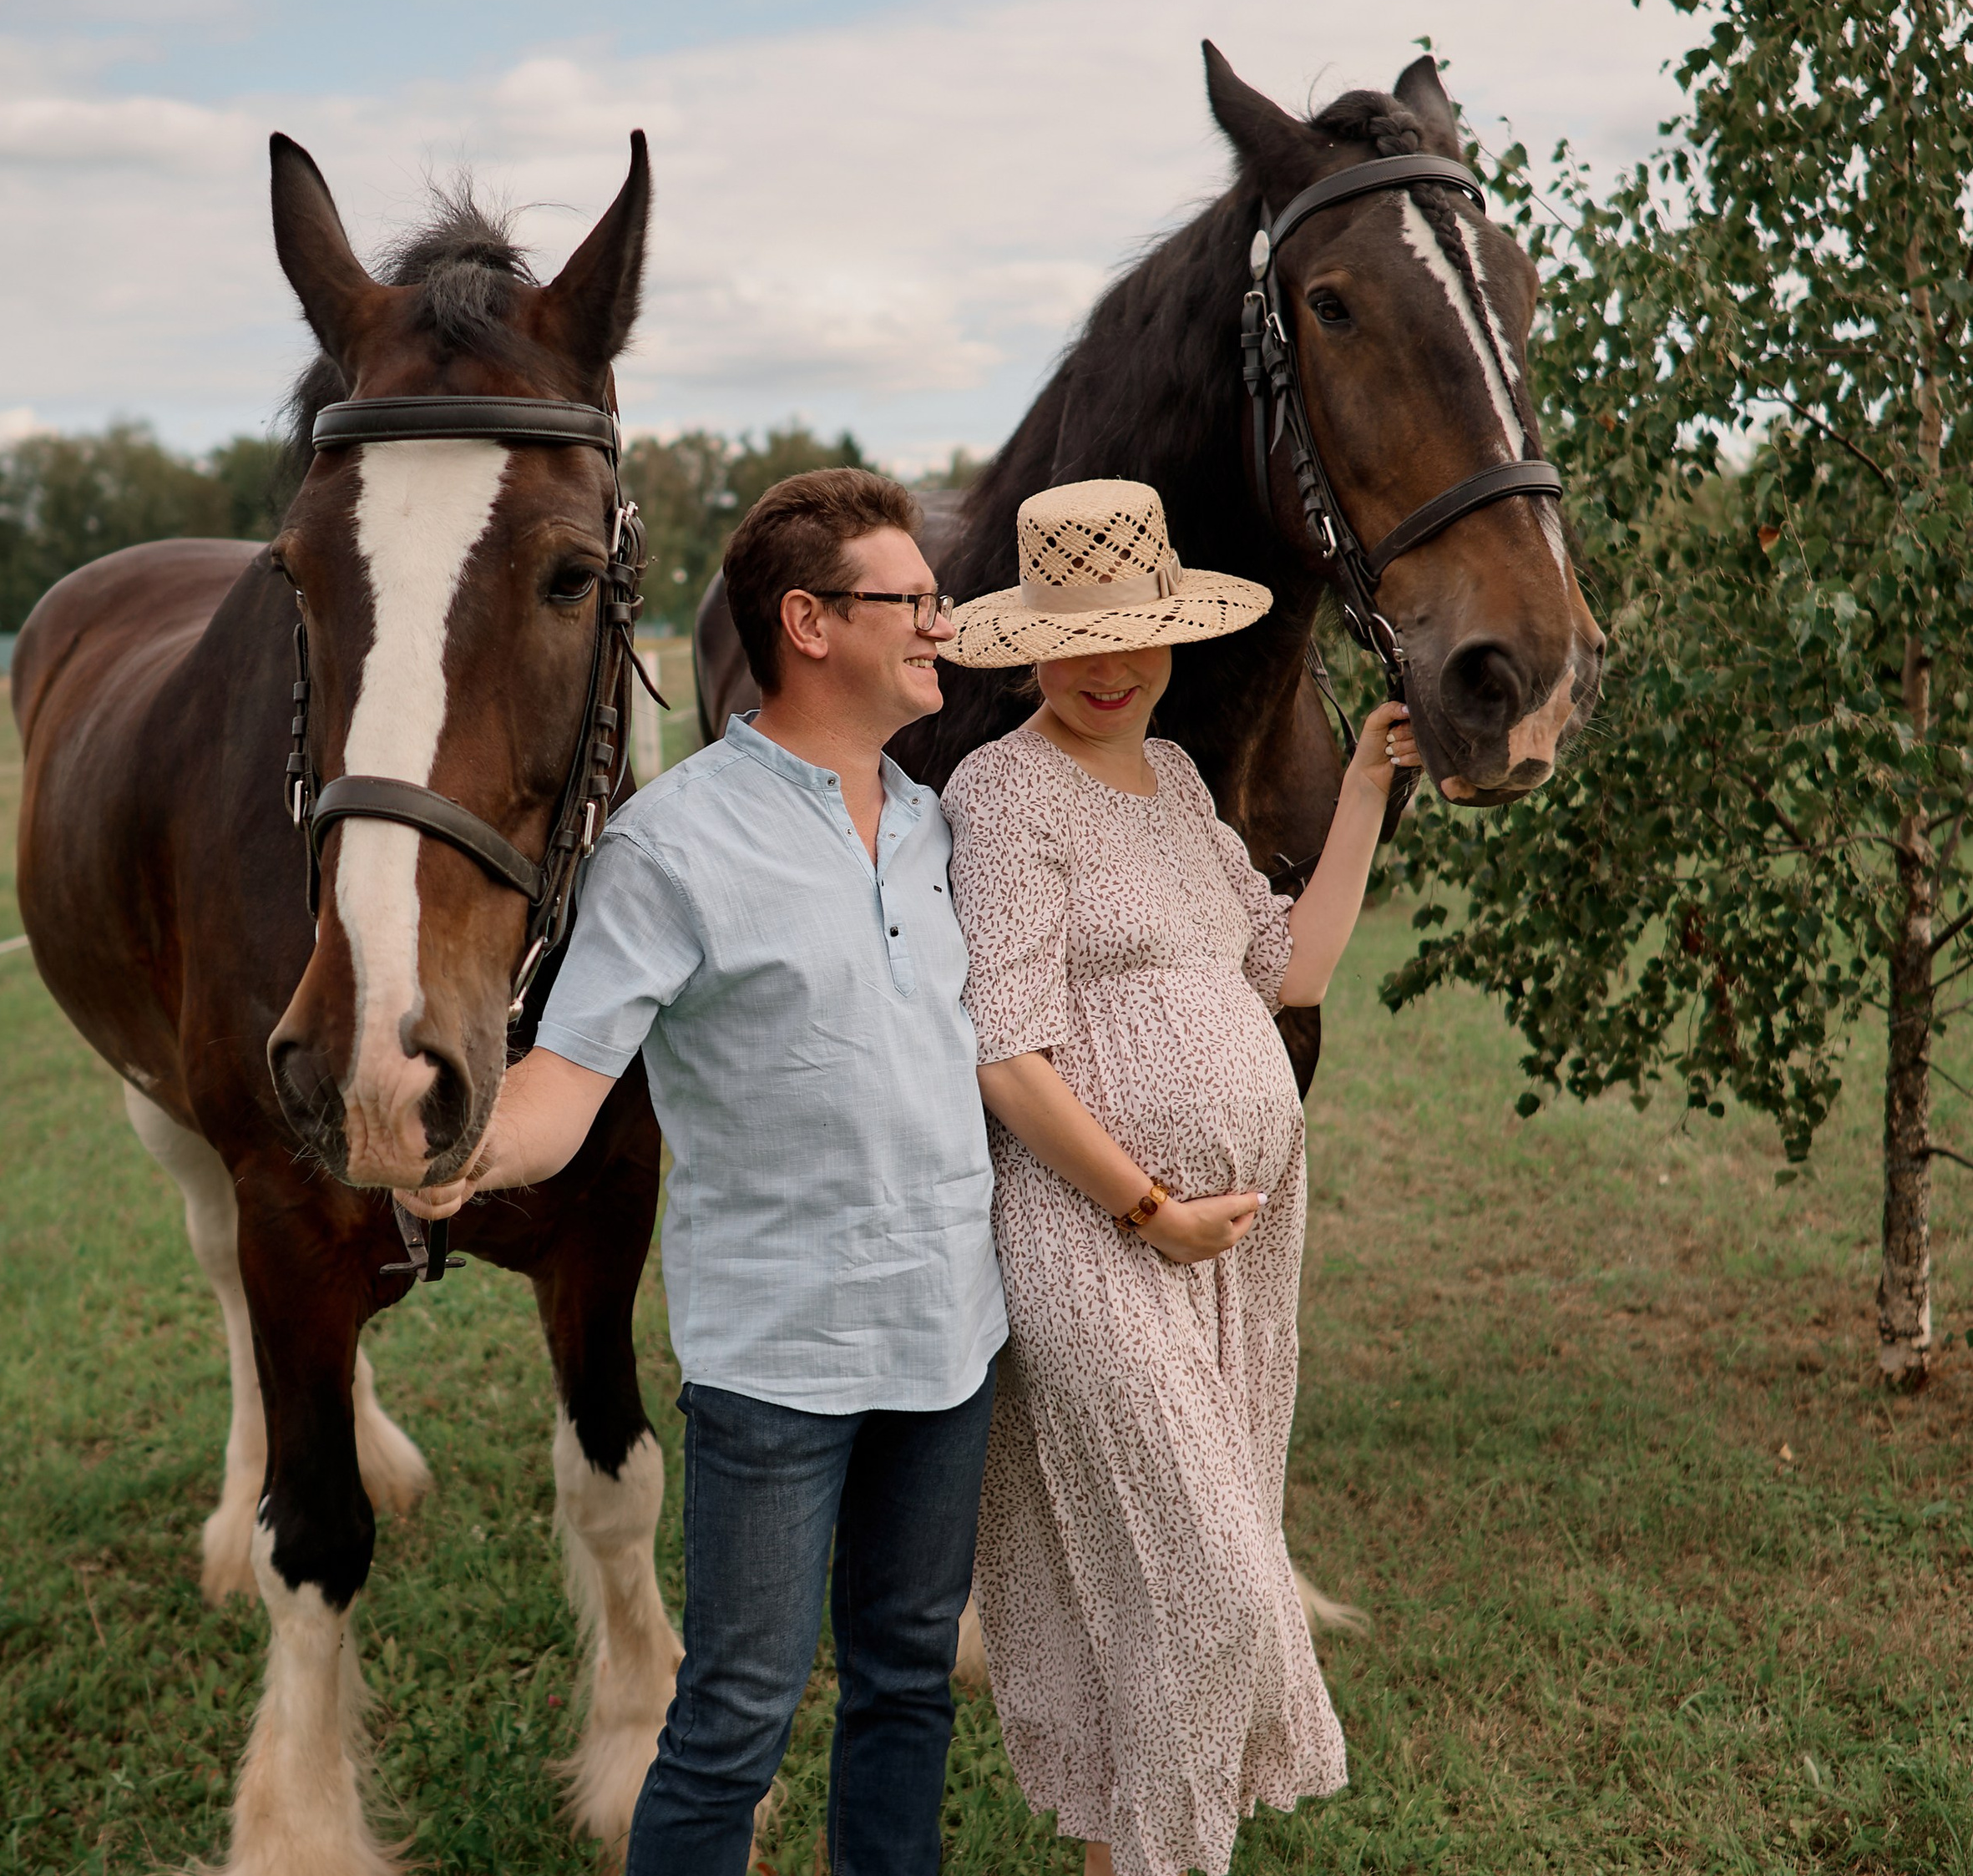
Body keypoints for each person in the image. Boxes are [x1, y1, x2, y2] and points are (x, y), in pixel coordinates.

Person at [399, 468, 1005, 1876]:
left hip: (948, 1333)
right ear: (809, 622)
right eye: (911, 599)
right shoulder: (672, 843)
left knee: (908, 1681)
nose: (940, 622)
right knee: (735, 1712)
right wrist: (465, 1156)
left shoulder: (928, 820)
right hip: (780, 1355)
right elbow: (568, 1080)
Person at [938, 478, 1421, 1876]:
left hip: (1238, 1248)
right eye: (1078, 638)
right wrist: (1150, 1208)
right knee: (1207, 1584)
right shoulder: (1006, 792)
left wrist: (1371, 790)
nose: (1108, 666)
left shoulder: (1182, 785)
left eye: (1133, 634)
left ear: (1169, 636)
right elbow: (1007, 1054)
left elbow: (1294, 970)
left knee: (1163, 1601)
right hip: (1097, 1235)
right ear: (1030, 647)